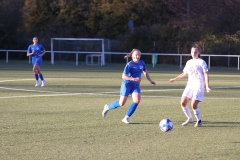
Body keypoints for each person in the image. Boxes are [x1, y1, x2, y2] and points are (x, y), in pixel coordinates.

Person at [102, 49, 156, 124]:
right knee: (121, 103)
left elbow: (145, 72)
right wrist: (133, 79)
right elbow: (123, 76)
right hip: (127, 85)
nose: (138, 56)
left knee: (137, 100)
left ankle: (126, 117)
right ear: (132, 56)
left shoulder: (142, 63)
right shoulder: (129, 64)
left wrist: (150, 80)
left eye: (139, 54)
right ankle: (107, 107)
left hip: (135, 86)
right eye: (136, 54)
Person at [169, 46, 211, 127]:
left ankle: (199, 121)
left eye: (195, 52)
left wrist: (207, 86)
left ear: (199, 53)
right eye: (192, 52)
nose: (193, 53)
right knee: (183, 103)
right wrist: (175, 79)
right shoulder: (189, 62)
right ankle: (190, 118)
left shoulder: (201, 62)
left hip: (199, 85)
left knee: (193, 105)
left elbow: (206, 74)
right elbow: (184, 73)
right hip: (190, 85)